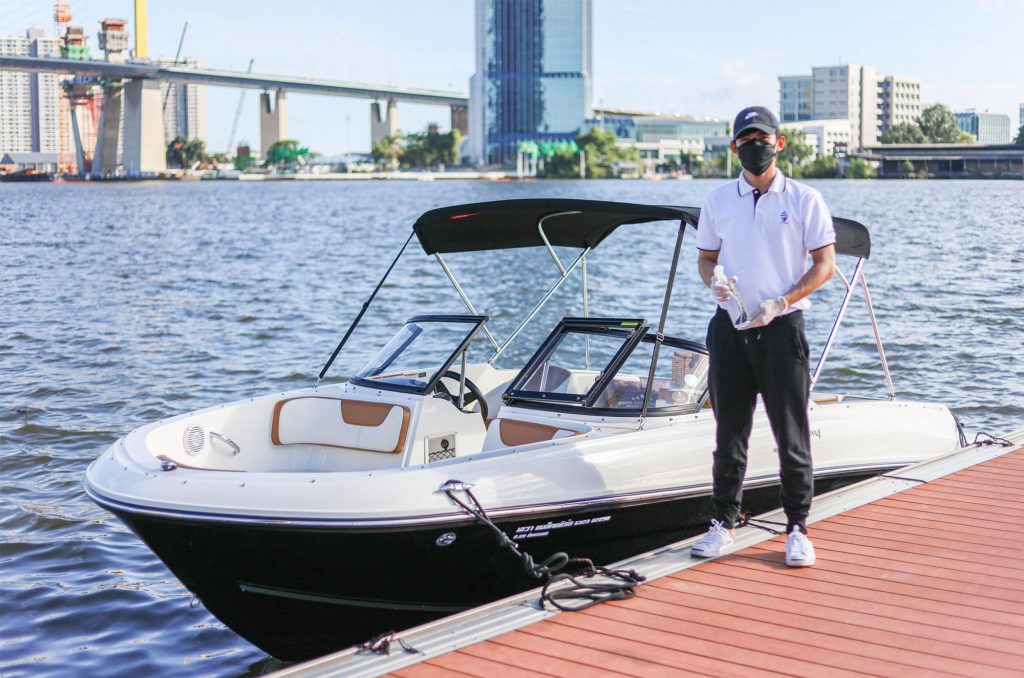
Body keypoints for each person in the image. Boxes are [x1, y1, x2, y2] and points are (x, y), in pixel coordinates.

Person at [690, 105, 837, 567]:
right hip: (730, 327)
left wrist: (782, 301)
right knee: (728, 433)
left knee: (791, 434)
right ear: (734, 146)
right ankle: (723, 523)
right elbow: (706, 259)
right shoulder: (717, 201)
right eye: (747, 140)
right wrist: (713, 283)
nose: (756, 146)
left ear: (779, 143)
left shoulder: (805, 199)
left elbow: (825, 265)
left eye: (763, 139)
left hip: (781, 328)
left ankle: (798, 528)